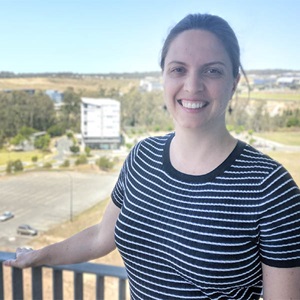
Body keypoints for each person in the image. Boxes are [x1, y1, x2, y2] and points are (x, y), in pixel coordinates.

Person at [4, 13, 300, 300]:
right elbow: (99, 238)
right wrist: (39, 255)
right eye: (178, 69)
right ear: (163, 77)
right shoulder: (141, 157)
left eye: (212, 70)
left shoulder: (271, 190)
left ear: (234, 82)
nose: (192, 86)